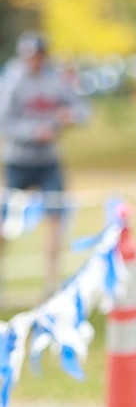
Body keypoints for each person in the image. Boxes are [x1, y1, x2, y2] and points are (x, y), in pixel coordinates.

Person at [0, 31, 89, 294]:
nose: (35, 61)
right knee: (7, 223)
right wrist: (33, 132)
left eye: (39, 56)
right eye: (30, 57)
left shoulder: (56, 80)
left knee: (55, 218)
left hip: (49, 161)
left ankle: (52, 282)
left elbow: (83, 110)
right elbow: (5, 122)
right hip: (19, 161)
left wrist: (70, 116)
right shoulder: (12, 80)